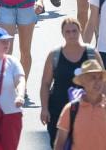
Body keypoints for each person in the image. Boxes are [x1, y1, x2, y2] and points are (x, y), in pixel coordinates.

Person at [39, 17, 100, 147]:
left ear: (80, 31)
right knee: (59, 145)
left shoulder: (91, 54)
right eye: (67, 32)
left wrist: (105, 105)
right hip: (58, 111)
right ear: (62, 34)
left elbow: (102, 82)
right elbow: (45, 84)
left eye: (74, 31)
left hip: (86, 110)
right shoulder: (54, 55)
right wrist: (44, 109)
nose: (71, 34)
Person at [53, 60, 106, 150]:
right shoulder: (71, 109)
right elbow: (59, 143)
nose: (97, 82)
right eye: (92, 78)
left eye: (100, 78)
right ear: (83, 82)